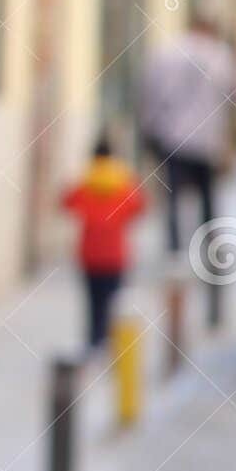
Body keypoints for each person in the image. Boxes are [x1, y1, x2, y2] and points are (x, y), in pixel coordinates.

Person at [138, 10, 236, 253]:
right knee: (207, 198)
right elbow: (232, 101)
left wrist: (150, 130)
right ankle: (211, 248)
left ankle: (174, 249)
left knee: (173, 197)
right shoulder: (221, 55)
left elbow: (151, 93)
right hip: (207, 140)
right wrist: (229, 143)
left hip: (173, 137)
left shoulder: (167, 52)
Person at [61, 135, 147, 359]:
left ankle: (93, 343)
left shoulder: (85, 181)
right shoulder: (123, 182)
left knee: (93, 302)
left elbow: (66, 202)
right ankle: (111, 346)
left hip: (89, 254)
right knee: (114, 302)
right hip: (116, 255)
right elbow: (139, 207)